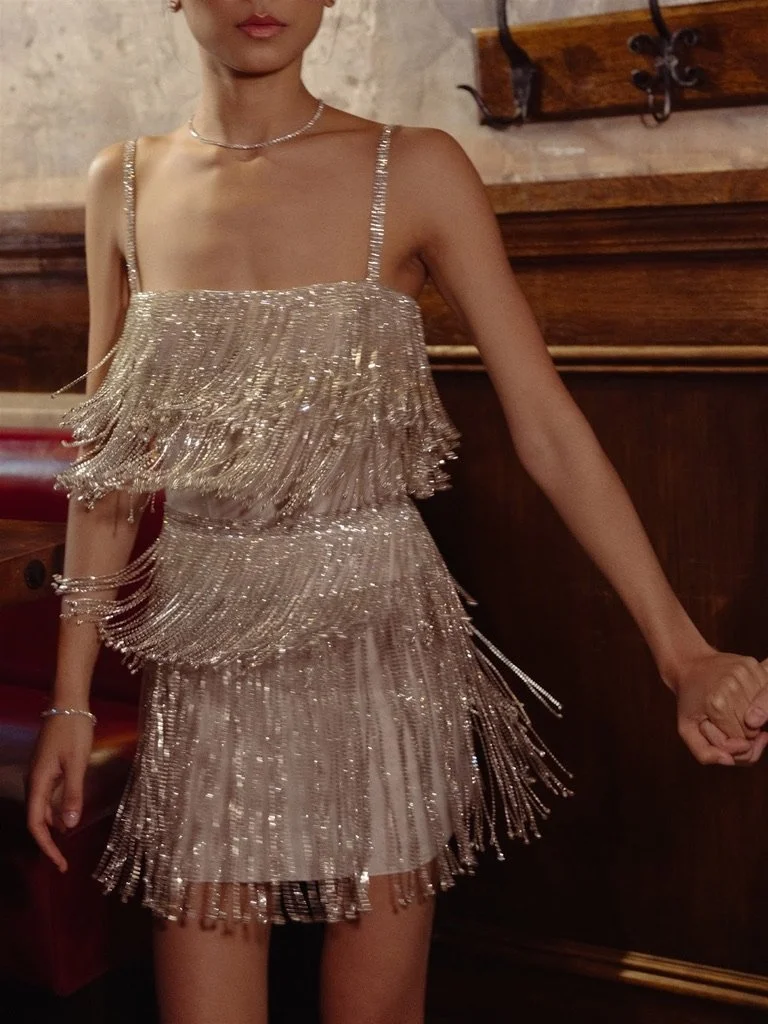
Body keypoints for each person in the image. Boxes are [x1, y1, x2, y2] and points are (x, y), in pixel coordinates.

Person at [26, 2, 768, 1023]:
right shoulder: (125, 182)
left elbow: (545, 426)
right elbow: (109, 466)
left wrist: (680, 651)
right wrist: (71, 696)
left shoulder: (413, 169)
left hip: (374, 627)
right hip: (207, 647)